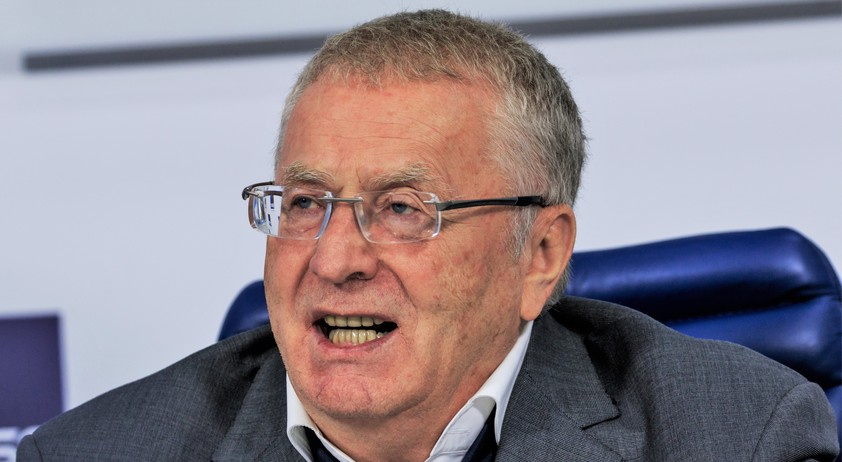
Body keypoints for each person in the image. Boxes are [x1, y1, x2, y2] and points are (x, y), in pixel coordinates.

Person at [18, 9, 838, 462]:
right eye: (304, 203)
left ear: (541, 256)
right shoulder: (94, 454)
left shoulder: (734, 437)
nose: (334, 259)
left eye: (403, 209)